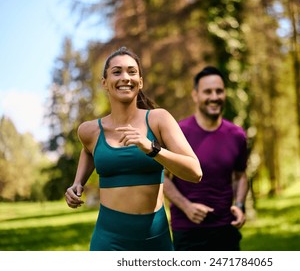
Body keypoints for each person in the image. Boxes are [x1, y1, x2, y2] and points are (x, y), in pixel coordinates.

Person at [64, 47, 202, 251]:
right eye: (117, 72)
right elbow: (88, 151)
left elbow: (195, 172)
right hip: (109, 241)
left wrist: (152, 149)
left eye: (132, 71)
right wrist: (77, 183)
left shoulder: (158, 119)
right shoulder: (89, 131)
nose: (125, 77)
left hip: (156, 240)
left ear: (141, 81)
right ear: (105, 83)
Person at [164, 66, 249, 251]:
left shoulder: (237, 135)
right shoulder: (178, 132)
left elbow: (240, 175)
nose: (214, 96)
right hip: (187, 232)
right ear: (195, 95)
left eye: (219, 91)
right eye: (207, 91)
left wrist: (240, 205)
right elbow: (162, 177)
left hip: (226, 230)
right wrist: (186, 206)